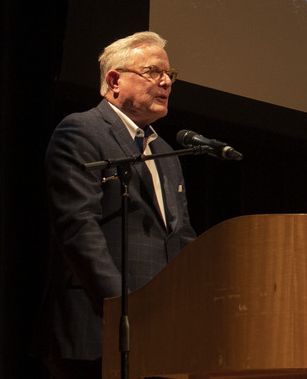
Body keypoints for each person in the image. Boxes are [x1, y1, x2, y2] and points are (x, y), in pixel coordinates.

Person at [40, 31, 198, 379]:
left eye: (169, 75)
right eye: (153, 72)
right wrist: (122, 310)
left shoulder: (165, 152)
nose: (165, 83)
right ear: (114, 80)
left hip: (163, 331)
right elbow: (79, 228)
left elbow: (180, 236)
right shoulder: (82, 131)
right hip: (100, 325)